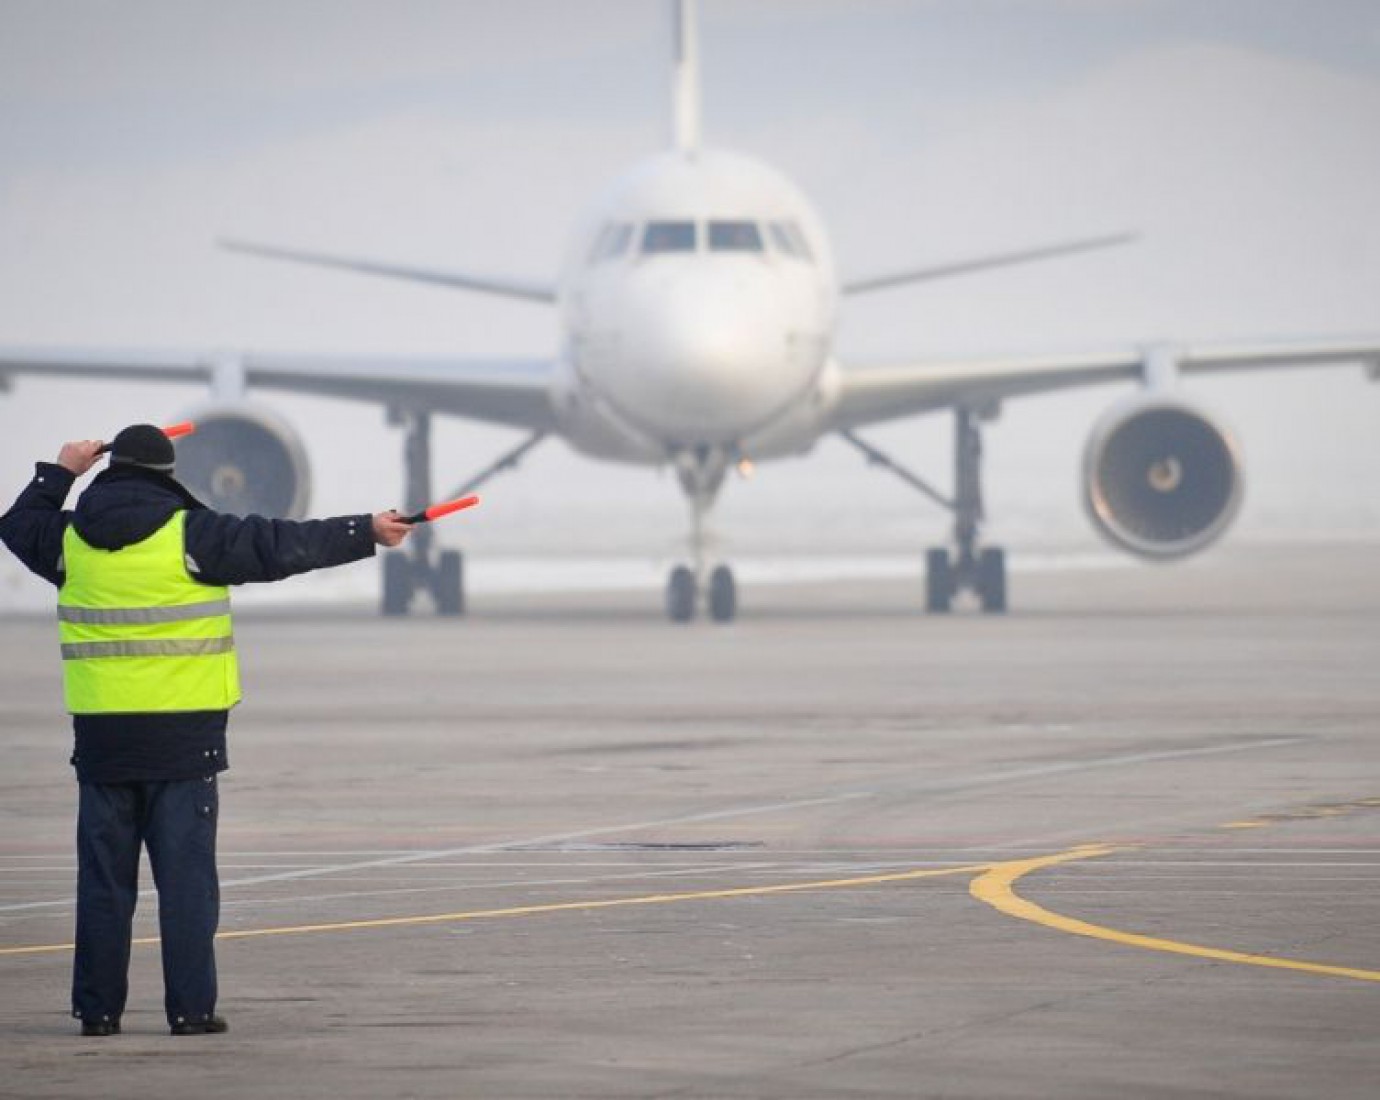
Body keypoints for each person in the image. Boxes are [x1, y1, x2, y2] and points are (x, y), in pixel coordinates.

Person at [0, 425, 413, 1037]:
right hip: (184, 743)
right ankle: (191, 1012)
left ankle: (97, 1012)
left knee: (104, 888)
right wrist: (365, 531)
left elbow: (16, 525)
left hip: (104, 746)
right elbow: (283, 544)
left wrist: (61, 471)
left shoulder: (68, 544)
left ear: (112, 471)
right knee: (187, 888)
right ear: (168, 474)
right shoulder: (193, 536)